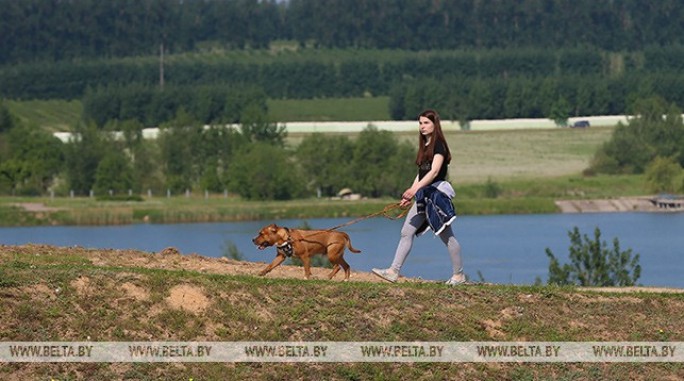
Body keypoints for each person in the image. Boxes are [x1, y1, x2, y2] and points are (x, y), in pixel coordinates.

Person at [372, 109, 466, 285]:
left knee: (447, 236)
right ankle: (393, 271)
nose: (422, 126)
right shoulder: (425, 146)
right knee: (406, 232)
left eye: (426, 123)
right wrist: (410, 193)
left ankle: (459, 275)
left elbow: (435, 171)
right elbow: (421, 174)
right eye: (420, 123)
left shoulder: (439, 145)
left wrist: (414, 190)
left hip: (436, 196)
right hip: (424, 194)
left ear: (434, 124)